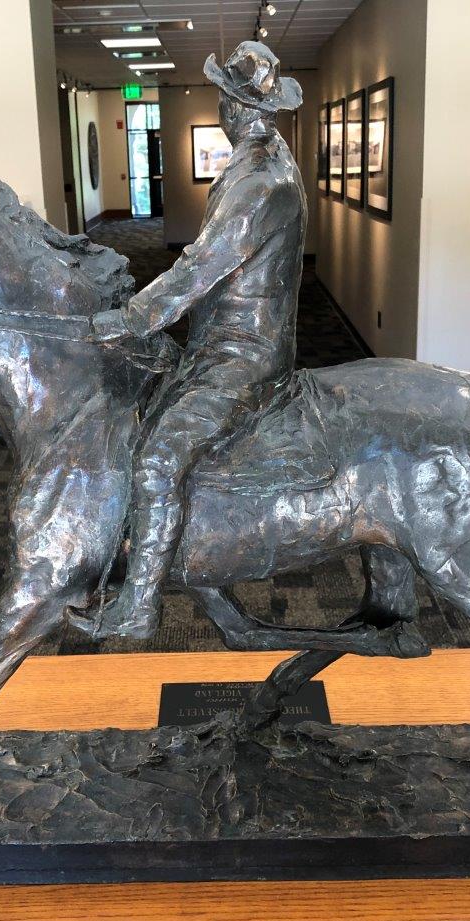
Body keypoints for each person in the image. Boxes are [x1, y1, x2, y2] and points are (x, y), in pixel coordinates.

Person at [73, 41, 307, 641]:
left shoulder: (260, 181)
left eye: (223, 99)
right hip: (216, 343)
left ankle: (139, 607)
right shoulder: (257, 163)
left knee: (156, 461)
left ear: (233, 106)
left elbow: (200, 266)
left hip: (244, 356)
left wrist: (133, 318)